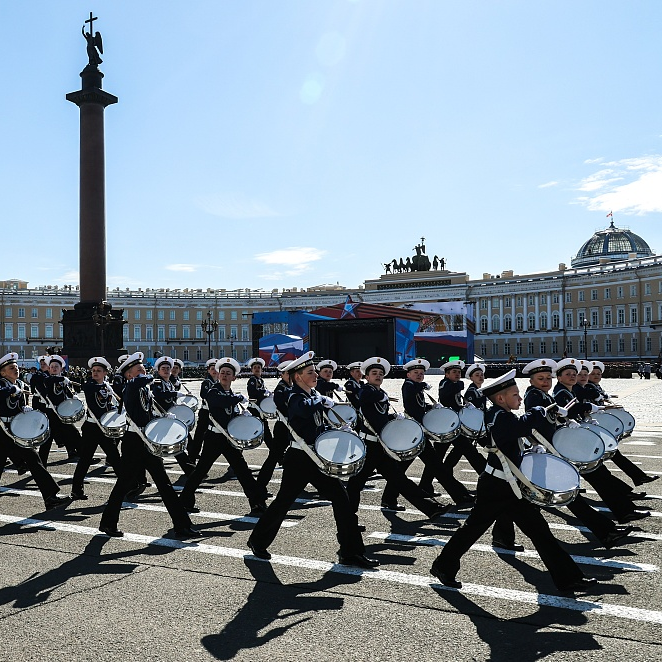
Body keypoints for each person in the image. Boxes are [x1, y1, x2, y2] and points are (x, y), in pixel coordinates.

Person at [430, 370, 600, 593]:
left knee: (540, 531)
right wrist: (542, 409)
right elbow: (520, 427)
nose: (520, 398)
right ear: (501, 398)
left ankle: (569, 578)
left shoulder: (500, 415)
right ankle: (443, 565)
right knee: (472, 529)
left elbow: (516, 434)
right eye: (515, 395)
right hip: (496, 486)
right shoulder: (500, 416)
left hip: (510, 486)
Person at [248, 351, 378, 568]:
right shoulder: (295, 396)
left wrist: (337, 428)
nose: (315, 375)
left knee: (342, 500)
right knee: (283, 502)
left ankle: (350, 551)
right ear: (298, 377)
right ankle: (257, 540)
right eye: (310, 372)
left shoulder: (310, 395)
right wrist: (320, 401)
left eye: (315, 371)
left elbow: (317, 424)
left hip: (315, 457)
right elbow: (302, 410)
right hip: (300, 459)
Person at [522, 359, 633, 549]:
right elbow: (533, 421)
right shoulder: (534, 395)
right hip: (542, 449)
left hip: (549, 449)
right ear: (531, 381)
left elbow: (551, 418)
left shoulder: (544, 395)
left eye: (548, 377)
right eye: (540, 378)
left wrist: (565, 422)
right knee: (556, 496)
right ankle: (607, 531)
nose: (545, 381)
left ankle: (607, 532)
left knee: (566, 496)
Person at [99, 352, 200, 539]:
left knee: (164, 484)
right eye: (138, 369)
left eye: (143, 368)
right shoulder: (131, 386)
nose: (143, 371)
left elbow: (145, 413)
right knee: (124, 485)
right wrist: (150, 376)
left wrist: (161, 416)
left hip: (145, 440)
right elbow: (140, 382)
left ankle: (182, 525)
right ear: (129, 374)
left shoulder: (143, 389)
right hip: (133, 442)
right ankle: (107, 522)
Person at [346, 356, 451, 518]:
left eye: (381, 373)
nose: (378, 376)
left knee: (399, 479)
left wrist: (393, 418)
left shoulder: (380, 392)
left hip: (381, 446)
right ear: (366, 377)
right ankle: (348, 520)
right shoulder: (366, 391)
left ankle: (431, 508)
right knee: (355, 485)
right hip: (368, 447)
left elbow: (378, 417)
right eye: (374, 373)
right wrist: (382, 398)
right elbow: (364, 398)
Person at [553, 358, 650, 524]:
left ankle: (624, 511)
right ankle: (621, 514)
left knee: (601, 477)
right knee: (596, 480)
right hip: (568, 445)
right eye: (568, 374)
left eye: (574, 374)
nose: (573, 377)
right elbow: (566, 412)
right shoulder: (561, 393)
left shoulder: (567, 391)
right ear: (559, 377)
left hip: (575, 441)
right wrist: (587, 409)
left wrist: (586, 417)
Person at [179, 357, 268, 516]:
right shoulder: (214, 390)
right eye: (223, 373)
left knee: (243, 471)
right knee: (200, 471)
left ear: (234, 377)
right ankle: (184, 502)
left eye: (228, 373)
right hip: (214, 438)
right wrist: (239, 398)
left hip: (229, 439)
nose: (225, 376)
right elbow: (219, 402)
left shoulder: (231, 393)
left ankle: (257, 502)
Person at [397, 358, 475, 506]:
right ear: (408, 375)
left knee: (433, 465)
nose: (419, 375)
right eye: (416, 373)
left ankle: (459, 495)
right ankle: (389, 497)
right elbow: (410, 394)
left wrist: (431, 407)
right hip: (413, 432)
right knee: (400, 470)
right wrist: (422, 386)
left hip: (419, 432)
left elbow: (418, 405)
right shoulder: (409, 385)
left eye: (421, 373)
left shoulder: (416, 386)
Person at [0, 352, 71, 510]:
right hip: (2, 431)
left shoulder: (18, 383)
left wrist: (23, 408)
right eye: (11, 368)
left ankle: (50, 497)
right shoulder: (3, 384)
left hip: (13, 431)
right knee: (32, 459)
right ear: (3, 372)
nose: (16, 370)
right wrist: (10, 390)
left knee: (34, 459)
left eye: (16, 367)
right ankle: (50, 496)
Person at [586, 360, 658, 486]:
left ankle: (634, 480)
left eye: (598, 373)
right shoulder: (588, 387)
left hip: (600, 427)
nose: (596, 376)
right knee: (601, 463)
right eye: (593, 374)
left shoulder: (595, 386)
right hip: (593, 428)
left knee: (613, 456)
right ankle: (629, 485)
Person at [71, 356, 123, 500]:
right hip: (92, 427)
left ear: (105, 372)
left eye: (99, 371)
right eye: (93, 370)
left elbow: (109, 404)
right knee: (85, 459)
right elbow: (88, 388)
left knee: (115, 457)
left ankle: (126, 486)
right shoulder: (91, 385)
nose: (95, 373)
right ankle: (76, 489)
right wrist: (105, 387)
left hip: (104, 427)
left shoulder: (107, 386)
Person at [150, 356, 196, 476]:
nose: (166, 370)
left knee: (173, 444)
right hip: (160, 418)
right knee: (155, 448)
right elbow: (159, 394)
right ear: (158, 371)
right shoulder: (158, 382)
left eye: (168, 368)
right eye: (163, 368)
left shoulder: (169, 382)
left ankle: (190, 470)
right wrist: (176, 393)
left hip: (168, 418)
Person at [37, 355, 82, 465]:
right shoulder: (48, 379)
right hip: (51, 413)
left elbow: (66, 392)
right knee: (47, 440)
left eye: (56, 366)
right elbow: (49, 381)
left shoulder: (62, 381)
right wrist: (62, 379)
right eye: (52, 366)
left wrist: (73, 397)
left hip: (62, 412)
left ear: (61, 369)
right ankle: (41, 463)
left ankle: (84, 455)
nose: (54, 368)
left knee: (74, 433)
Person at [245, 357, 278, 490]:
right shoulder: (252, 380)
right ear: (252, 370)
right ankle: (277, 455)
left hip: (260, 410)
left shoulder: (260, 380)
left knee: (266, 434)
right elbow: (252, 393)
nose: (257, 369)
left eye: (259, 367)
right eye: (255, 368)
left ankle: (277, 454)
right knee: (249, 434)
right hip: (254, 410)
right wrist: (263, 392)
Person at [188, 358, 217, 463]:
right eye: (212, 369)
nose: (214, 371)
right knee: (199, 435)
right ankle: (193, 456)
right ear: (208, 370)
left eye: (216, 369)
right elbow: (203, 395)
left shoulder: (217, 382)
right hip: (205, 412)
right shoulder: (207, 382)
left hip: (214, 412)